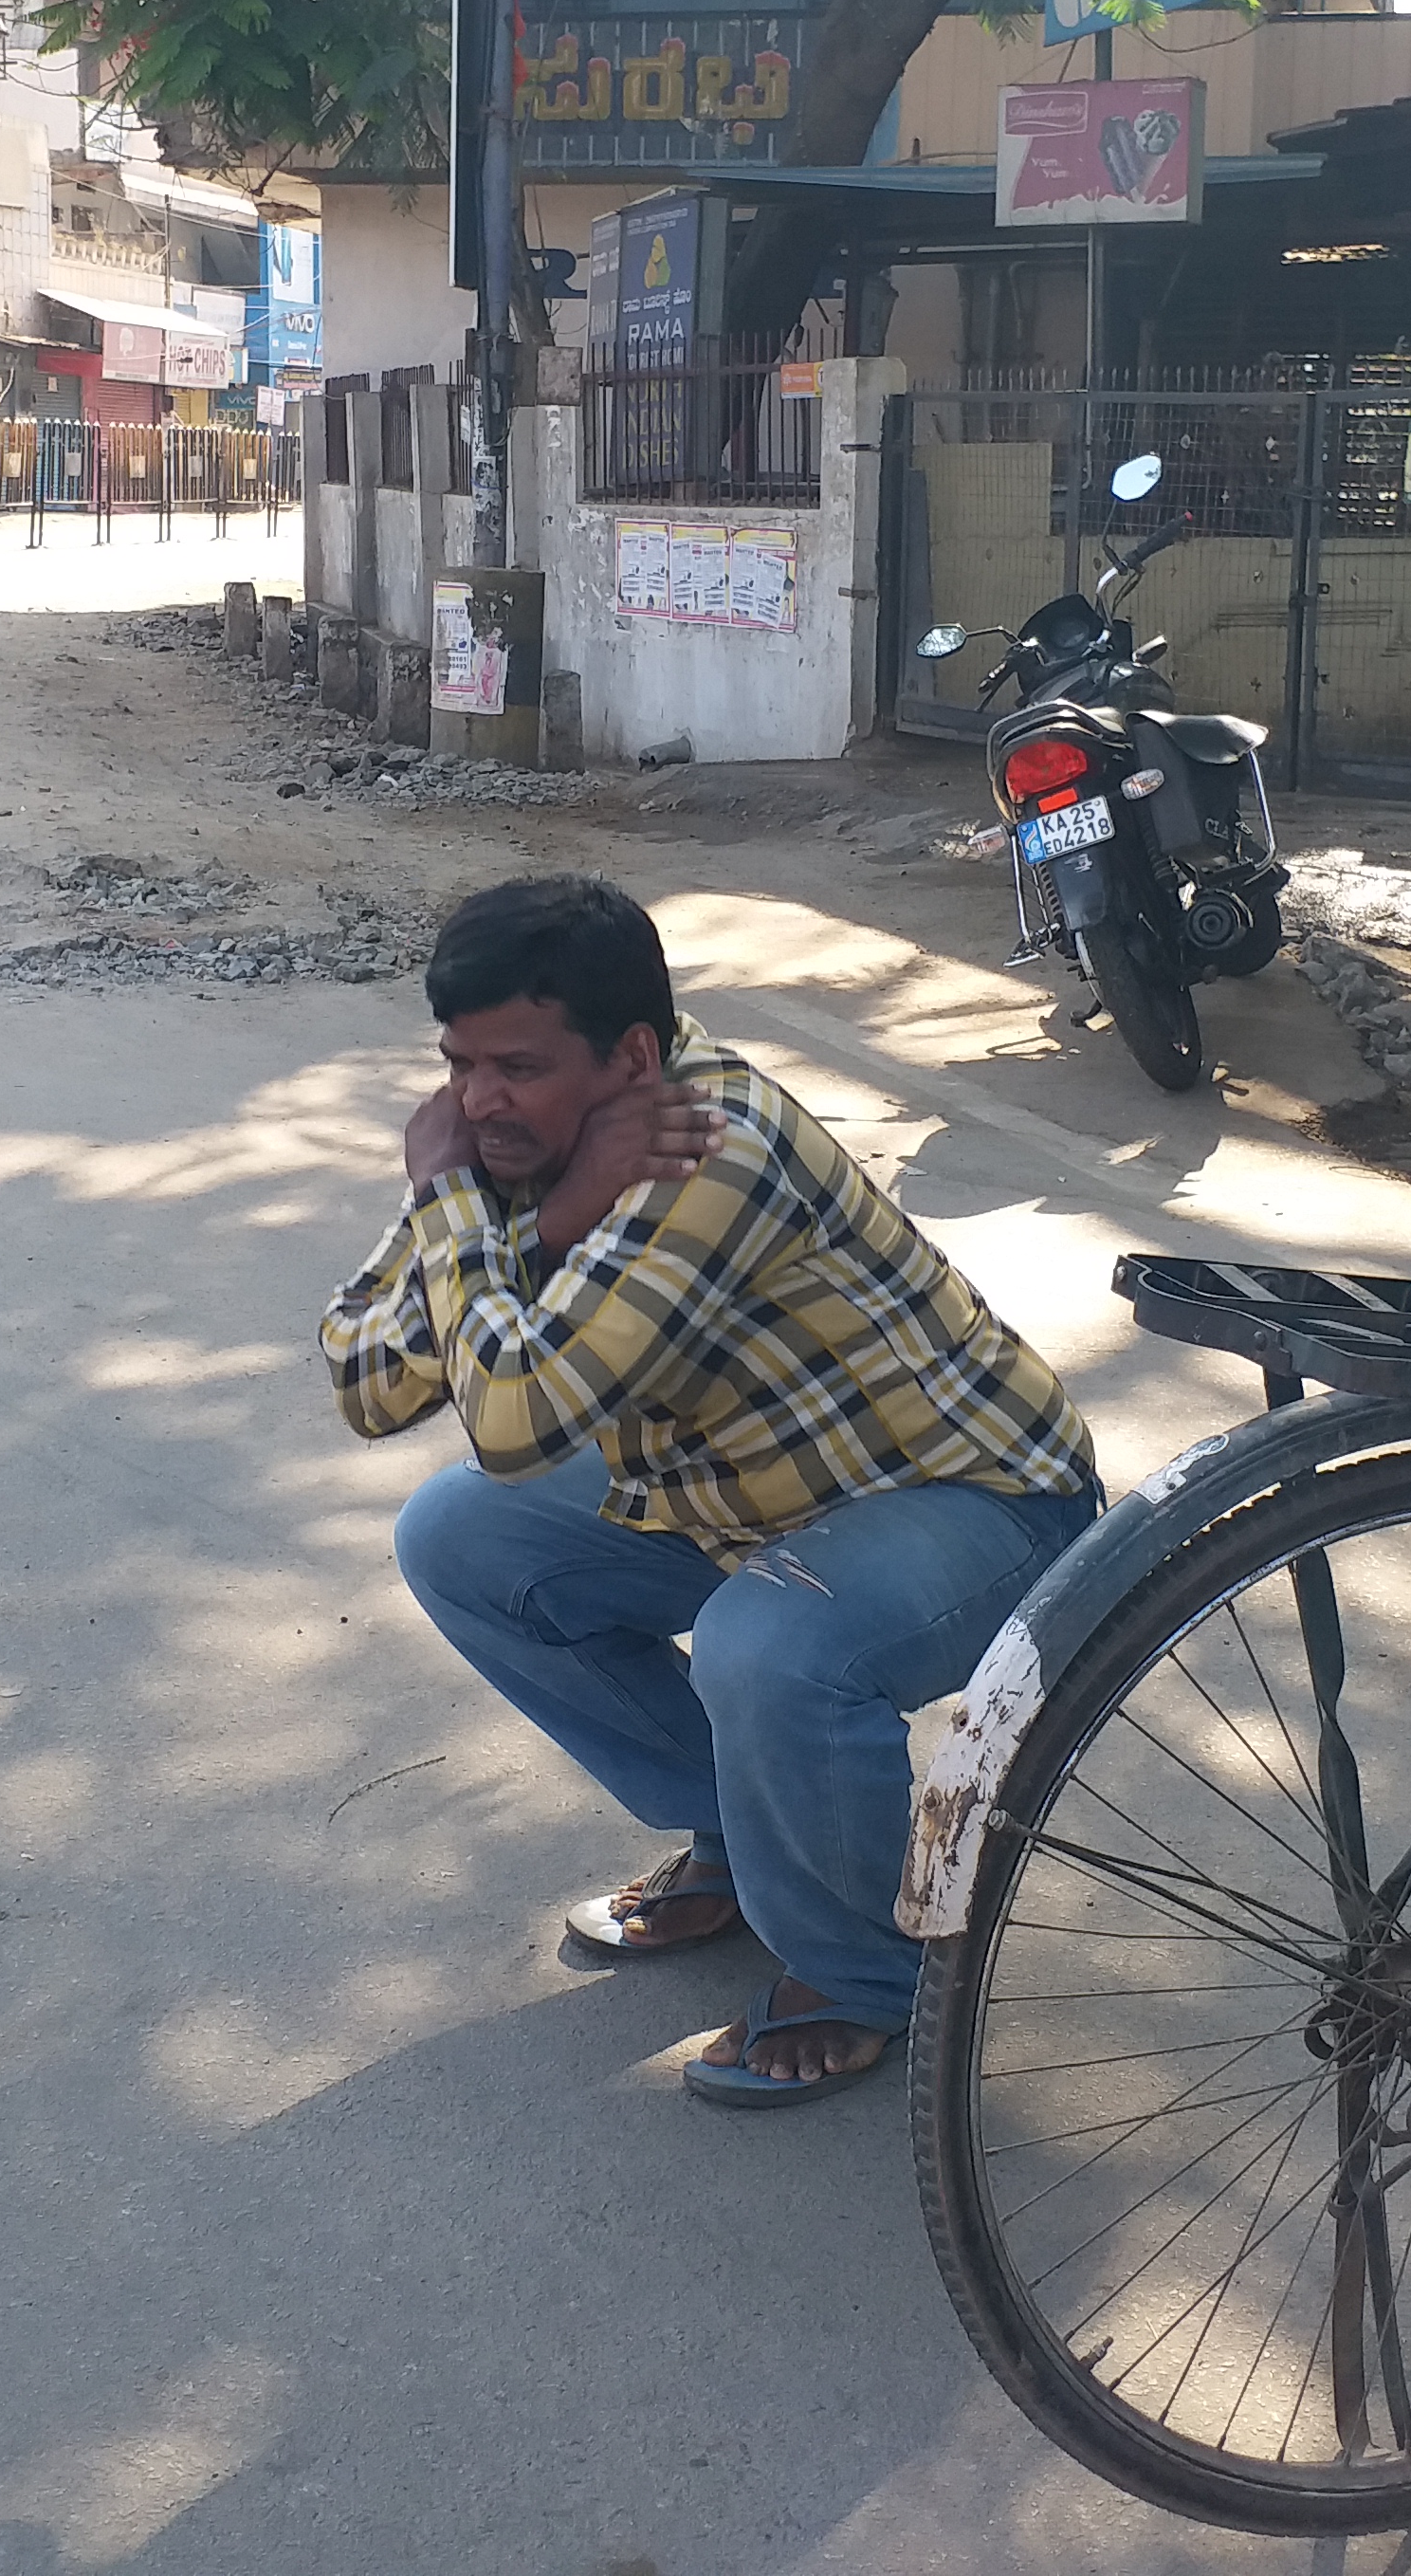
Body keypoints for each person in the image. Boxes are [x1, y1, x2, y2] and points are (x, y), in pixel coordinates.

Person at [326, 876, 1099, 2107]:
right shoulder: (525, 1138)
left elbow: (516, 1417)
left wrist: (450, 1206)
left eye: (513, 1067)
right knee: (459, 1537)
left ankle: (864, 1974)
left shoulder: (711, 1140)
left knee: (769, 1642)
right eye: (458, 1066)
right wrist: (522, 1224)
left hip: (981, 1503)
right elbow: (362, 1377)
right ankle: (748, 1836)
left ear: (630, 1054)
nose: (474, 1103)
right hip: (738, 1496)